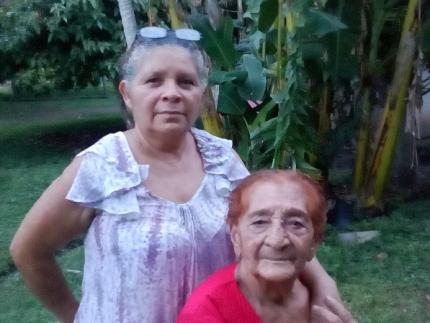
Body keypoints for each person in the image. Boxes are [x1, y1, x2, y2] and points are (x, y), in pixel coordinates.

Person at [10, 27, 347, 323]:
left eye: (185, 82)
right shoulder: (102, 166)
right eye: (154, 80)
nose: (171, 93)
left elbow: (269, 223)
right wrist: (75, 315)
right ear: (128, 94)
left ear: (200, 95)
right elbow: (28, 249)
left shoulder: (221, 158)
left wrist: (321, 283)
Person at [177, 170, 355, 323]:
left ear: (314, 243)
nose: (277, 240)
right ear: (236, 237)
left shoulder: (319, 304)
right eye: (260, 222)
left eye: (296, 224)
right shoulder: (207, 313)